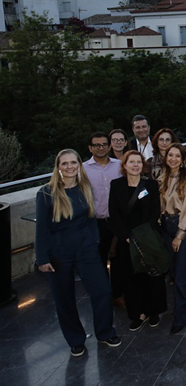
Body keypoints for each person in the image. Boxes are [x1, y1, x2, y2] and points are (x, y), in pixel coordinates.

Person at [35, 149, 121, 357]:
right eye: (64, 163)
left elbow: (91, 217)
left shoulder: (85, 188)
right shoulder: (46, 193)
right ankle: (75, 340)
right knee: (64, 299)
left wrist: (94, 240)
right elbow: (41, 229)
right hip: (59, 254)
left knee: (102, 291)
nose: (70, 167)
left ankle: (105, 332)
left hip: (86, 251)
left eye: (73, 162)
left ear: (79, 165)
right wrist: (42, 258)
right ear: (58, 167)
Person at [109, 150, 167, 332]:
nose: (135, 165)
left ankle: (153, 311)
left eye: (138, 162)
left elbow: (155, 211)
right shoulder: (116, 185)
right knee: (132, 277)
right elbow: (114, 214)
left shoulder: (150, 185)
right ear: (124, 165)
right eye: (131, 162)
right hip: (126, 239)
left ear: (143, 165)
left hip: (147, 237)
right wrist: (127, 236)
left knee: (151, 274)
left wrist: (143, 236)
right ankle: (138, 313)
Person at [158, 143, 186, 334]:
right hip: (165, 227)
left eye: (177, 156)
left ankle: (181, 316)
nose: (173, 159)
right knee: (174, 270)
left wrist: (180, 235)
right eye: (170, 155)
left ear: (182, 160)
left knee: (181, 274)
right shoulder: (161, 178)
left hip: (182, 228)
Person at [84, 133, 123, 308]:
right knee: (98, 261)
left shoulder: (119, 166)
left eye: (104, 144)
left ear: (109, 146)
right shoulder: (83, 170)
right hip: (95, 222)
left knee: (118, 260)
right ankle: (103, 297)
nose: (101, 148)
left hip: (116, 221)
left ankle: (118, 294)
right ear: (90, 148)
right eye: (96, 145)